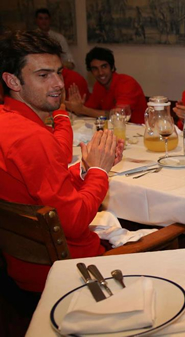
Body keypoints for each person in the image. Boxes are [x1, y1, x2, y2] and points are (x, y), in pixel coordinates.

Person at [0, 30, 123, 292]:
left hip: (19, 268)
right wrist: (99, 171)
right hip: (72, 274)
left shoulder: (9, 124)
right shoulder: (31, 137)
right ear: (13, 81)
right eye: (43, 75)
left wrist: (85, 168)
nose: (58, 84)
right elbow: (76, 222)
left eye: (58, 72)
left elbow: (40, 188)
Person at [65, 47, 147, 124]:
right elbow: (89, 110)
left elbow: (118, 115)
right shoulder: (98, 86)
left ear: (112, 67)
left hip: (139, 132)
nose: (100, 72)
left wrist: (82, 110)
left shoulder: (126, 83)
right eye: (95, 69)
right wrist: (75, 107)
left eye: (104, 66)